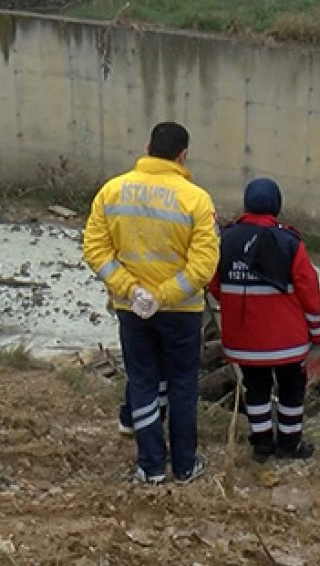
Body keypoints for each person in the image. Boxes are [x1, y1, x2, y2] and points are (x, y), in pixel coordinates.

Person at [83, 122, 219, 485]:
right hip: (182, 312)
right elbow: (203, 266)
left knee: (143, 382)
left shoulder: (112, 191)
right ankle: (185, 466)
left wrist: (132, 291)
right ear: (183, 156)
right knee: (182, 385)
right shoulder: (196, 199)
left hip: (132, 309)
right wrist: (163, 296)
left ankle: (151, 467)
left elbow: (95, 250)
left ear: (147, 148)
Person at [209, 178, 320, 463]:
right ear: (276, 205)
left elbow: (214, 285)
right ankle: (289, 444)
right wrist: (315, 330)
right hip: (287, 341)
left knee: (255, 389)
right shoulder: (290, 242)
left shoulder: (225, 240)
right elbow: (309, 289)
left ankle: (261, 444)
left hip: (244, 340)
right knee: (291, 389)